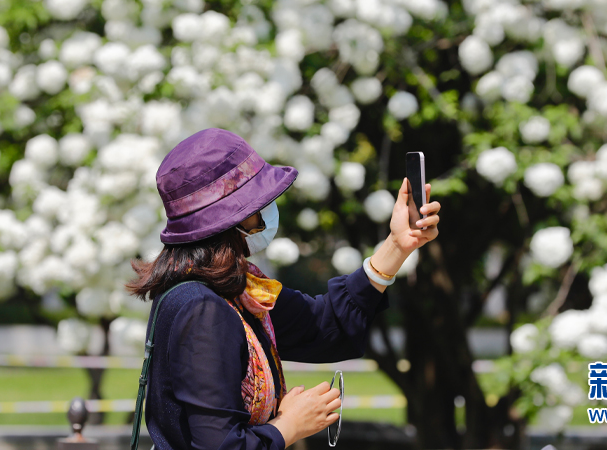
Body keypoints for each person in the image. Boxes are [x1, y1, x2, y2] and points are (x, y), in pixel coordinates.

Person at [126, 128, 441, 450]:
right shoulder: (204, 308)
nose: (269, 210)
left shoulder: (230, 292)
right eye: (260, 203)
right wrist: (288, 426)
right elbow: (218, 445)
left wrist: (397, 246)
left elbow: (322, 325)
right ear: (236, 219)